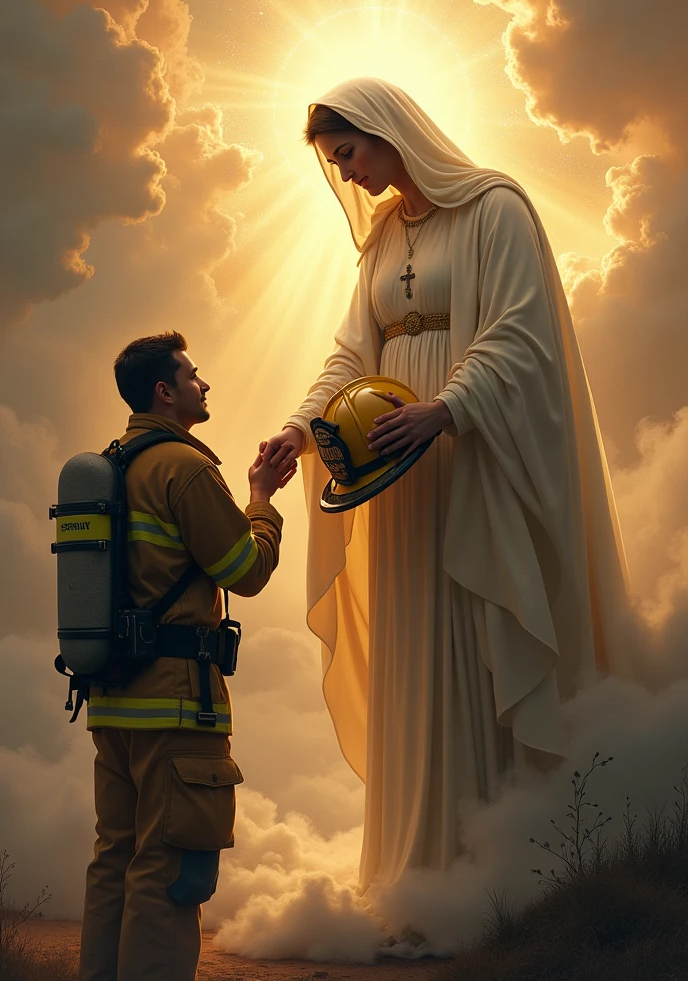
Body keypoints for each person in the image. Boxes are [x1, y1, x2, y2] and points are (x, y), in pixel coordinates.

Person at [262, 78, 633, 899]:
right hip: (397, 484)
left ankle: (495, 887)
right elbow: (352, 354)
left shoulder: (495, 208)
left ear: (386, 129)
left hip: (471, 464)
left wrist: (448, 409)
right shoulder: (384, 240)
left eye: (348, 153)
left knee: (475, 646)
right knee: (413, 659)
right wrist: (301, 425)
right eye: (334, 164)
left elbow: (519, 329)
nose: (347, 175)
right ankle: (412, 880)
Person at [78, 331, 295, 981]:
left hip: (112, 705)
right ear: (165, 392)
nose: (206, 385)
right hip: (176, 709)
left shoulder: (112, 463)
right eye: (194, 376)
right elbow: (244, 570)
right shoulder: (185, 468)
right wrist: (261, 502)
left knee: (113, 863)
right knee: (169, 872)